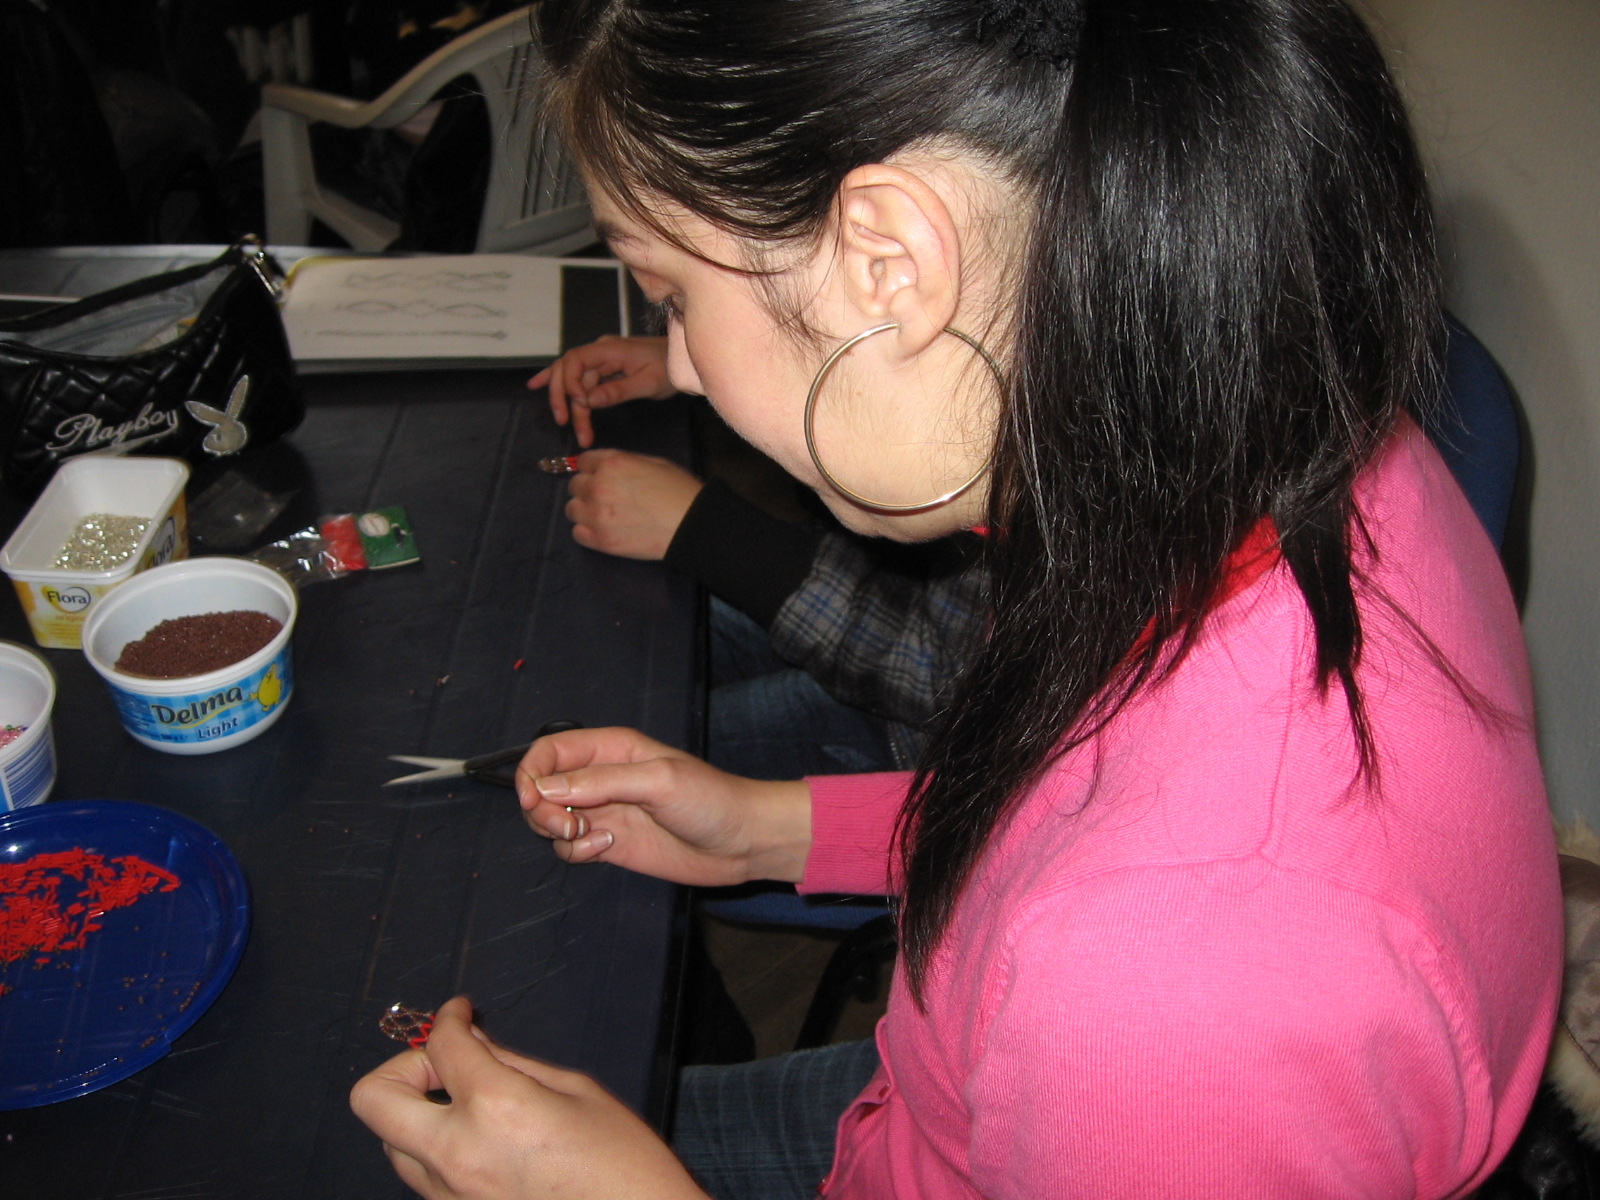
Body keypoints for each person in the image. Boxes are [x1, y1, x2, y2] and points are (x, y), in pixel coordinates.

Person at [351, 1, 1564, 1197]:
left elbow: (1137, 919)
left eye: (670, 295)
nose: (680, 366)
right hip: (965, 1082)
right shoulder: (1261, 446)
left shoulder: (1173, 991)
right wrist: (765, 827)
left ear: (890, 260)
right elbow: (1066, 813)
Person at [530, 335, 985, 778]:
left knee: (622, 746)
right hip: (872, 594)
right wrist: (715, 358)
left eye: (680, 305)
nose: (683, 371)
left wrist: (709, 532)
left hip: (923, 747)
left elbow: (948, 679)